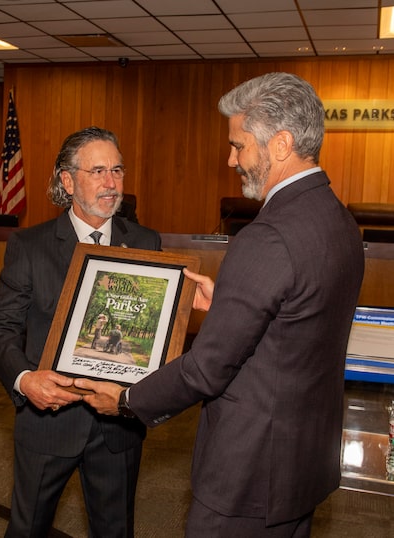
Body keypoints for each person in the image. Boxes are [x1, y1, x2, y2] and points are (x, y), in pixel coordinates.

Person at [73, 73, 365, 537]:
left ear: (281, 144)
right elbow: (296, 324)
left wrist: (127, 399)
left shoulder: (266, 237)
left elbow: (206, 369)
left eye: (239, 145)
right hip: (302, 461)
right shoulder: (339, 219)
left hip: (249, 473)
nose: (231, 159)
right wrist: (230, 301)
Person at [0, 126, 162, 537]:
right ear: (68, 180)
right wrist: (26, 380)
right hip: (48, 420)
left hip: (118, 424)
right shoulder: (30, 246)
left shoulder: (147, 243)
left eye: (117, 170)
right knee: (27, 529)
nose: (111, 183)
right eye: (97, 171)